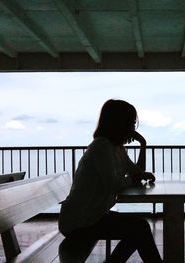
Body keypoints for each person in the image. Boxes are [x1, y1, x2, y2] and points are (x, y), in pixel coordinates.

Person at [58, 99, 163, 263]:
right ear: (119, 123)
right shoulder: (101, 146)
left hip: (93, 216)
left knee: (139, 228)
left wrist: (143, 144)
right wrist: (134, 178)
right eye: (131, 122)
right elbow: (113, 184)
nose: (133, 128)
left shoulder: (116, 148)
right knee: (139, 228)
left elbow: (136, 172)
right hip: (78, 223)